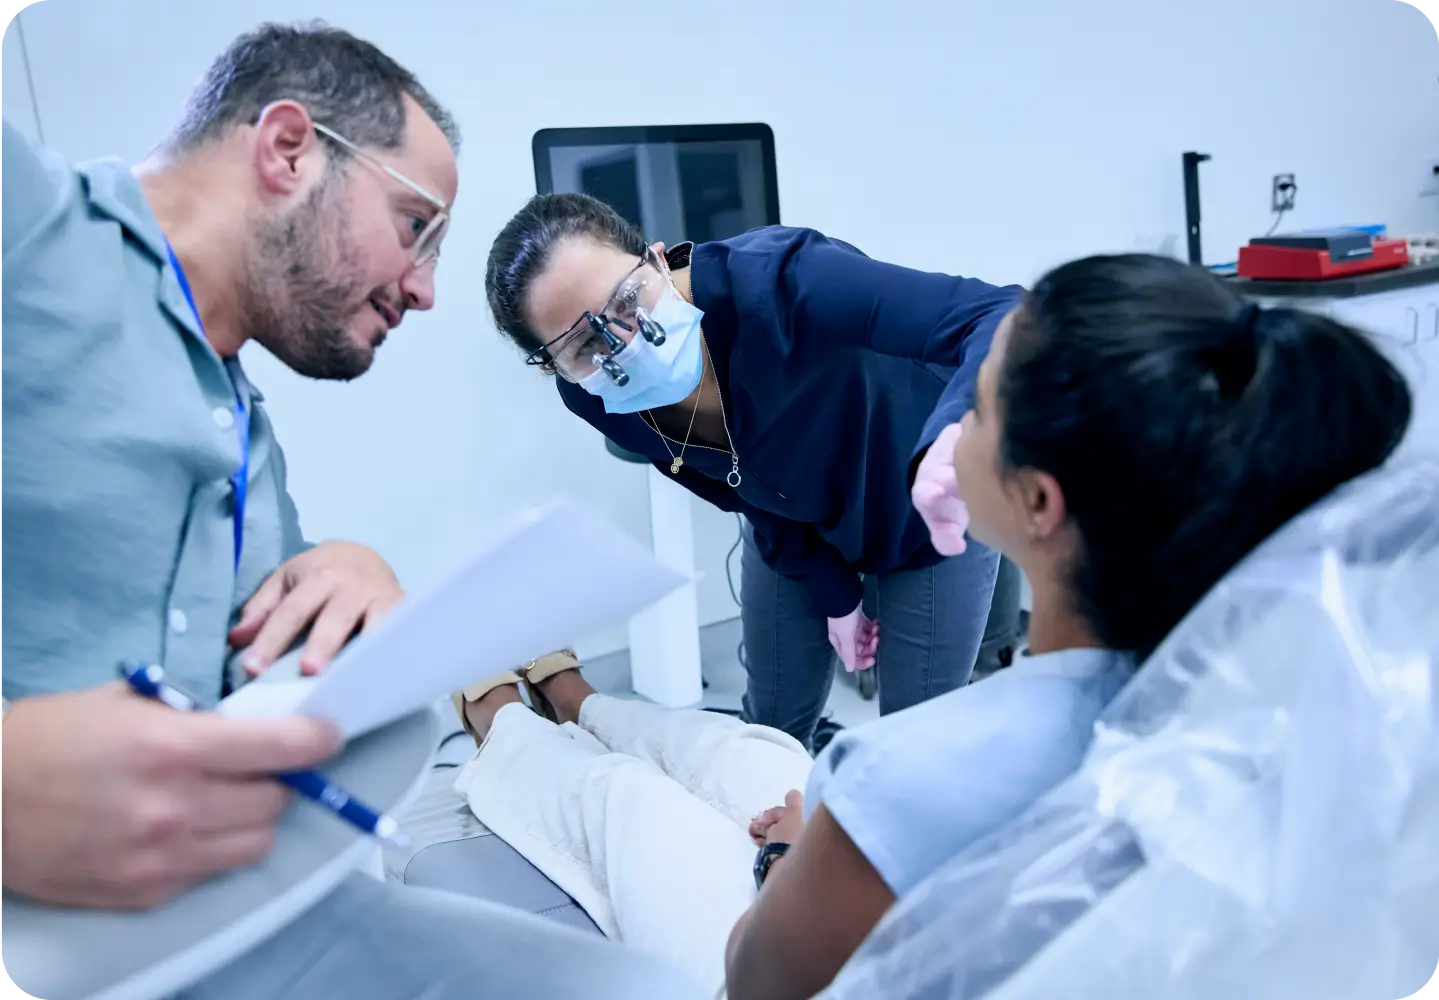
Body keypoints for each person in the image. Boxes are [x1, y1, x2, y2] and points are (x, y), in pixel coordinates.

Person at [448, 253, 1413, 999]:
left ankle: (511, 728)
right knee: (737, 747)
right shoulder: (1285, 703)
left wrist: (789, 853)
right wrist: (824, 802)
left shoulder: (907, 769)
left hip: (796, 927)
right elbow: (758, 487)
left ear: (1036, 502)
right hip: (888, 835)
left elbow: (754, 978)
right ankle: (581, 700)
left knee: (627, 801)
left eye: (978, 409)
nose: (948, 426)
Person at [0, 22, 699, 1000]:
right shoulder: (29, 218)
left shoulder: (240, 430)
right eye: (416, 226)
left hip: (222, 918)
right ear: (288, 149)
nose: (421, 289)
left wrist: (345, 581)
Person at [483, 194, 1024, 748]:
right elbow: (739, 489)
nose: (624, 342)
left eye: (628, 299)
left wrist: (959, 428)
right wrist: (836, 595)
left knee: (916, 747)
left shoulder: (782, 280)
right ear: (553, 366)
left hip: (928, 496)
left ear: (656, 259)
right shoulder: (595, 397)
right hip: (790, 520)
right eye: (586, 344)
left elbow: (1004, 313)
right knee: (768, 736)